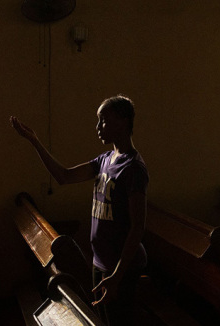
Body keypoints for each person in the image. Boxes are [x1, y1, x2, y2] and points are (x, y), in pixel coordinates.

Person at [10, 95, 148, 324]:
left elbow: (137, 227)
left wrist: (116, 276)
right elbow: (64, 176)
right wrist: (34, 141)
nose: (98, 127)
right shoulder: (105, 160)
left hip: (120, 268)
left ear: (123, 122)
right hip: (100, 261)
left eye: (103, 120)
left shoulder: (133, 168)